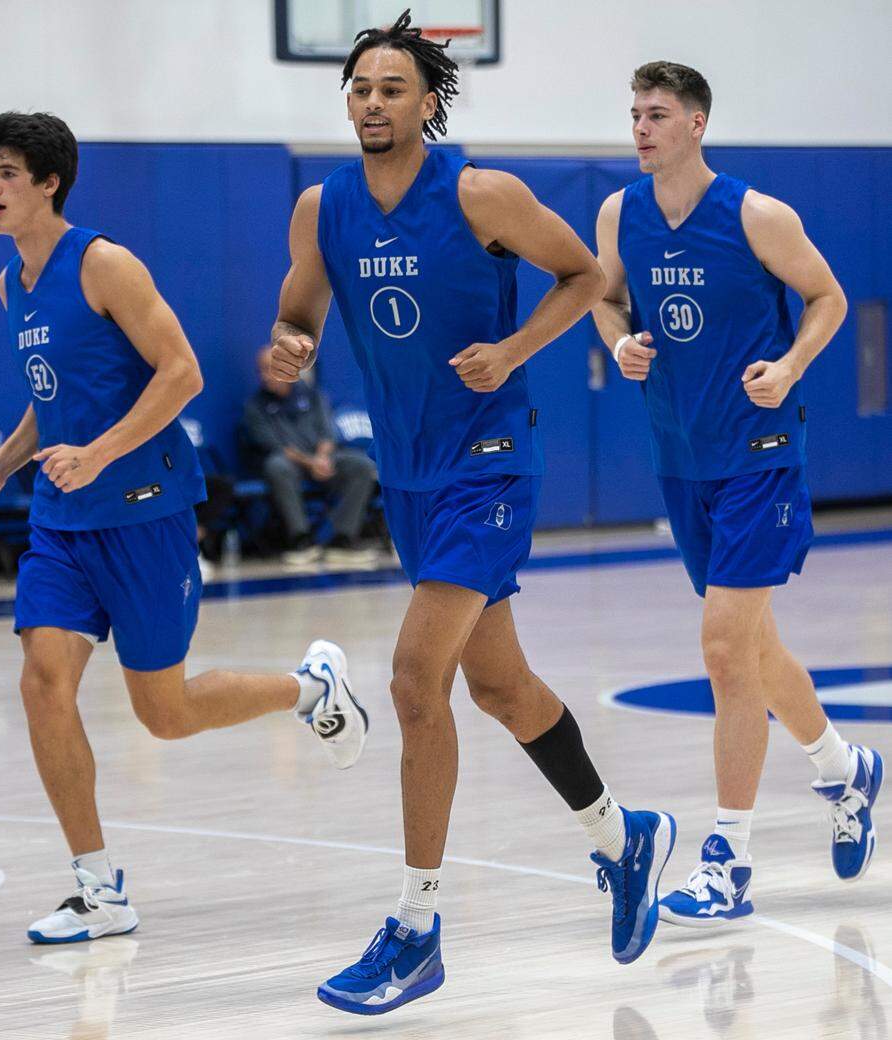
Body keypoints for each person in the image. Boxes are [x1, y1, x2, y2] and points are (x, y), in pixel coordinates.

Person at [270, 13, 675, 1015]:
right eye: (361, 88)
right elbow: (299, 308)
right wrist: (291, 344)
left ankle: (417, 929)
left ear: (427, 103)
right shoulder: (323, 208)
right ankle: (625, 837)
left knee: (417, 681)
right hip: (408, 475)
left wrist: (513, 350)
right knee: (500, 686)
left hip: (488, 467)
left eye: (392, 88)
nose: (373, 102)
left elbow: (586, 276)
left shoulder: (481, 193)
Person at [0, 112, 368, 944]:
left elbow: (182, 373)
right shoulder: (12, 285)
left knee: (166, 713)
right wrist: (4, 463)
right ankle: (98, 890)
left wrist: (100, 454)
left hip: (145, 511)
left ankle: (312, 690)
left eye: (8, 173)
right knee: (42, 683)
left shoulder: (103, 264)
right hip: (63, 521)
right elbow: (51, 399)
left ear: (49, 183)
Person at [592, 61, 881, 927]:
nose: (640, 128)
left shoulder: (757, 215)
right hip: (684, 456)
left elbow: (827, 297)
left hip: (760, 454)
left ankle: (730, 860)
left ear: (696, 124)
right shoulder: (619, 214)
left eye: (656, 114)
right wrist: (618, 343)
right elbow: (606, 299)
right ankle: (844, 771)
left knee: (723, 648)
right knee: (753, 649)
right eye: (634, 114)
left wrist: (790, 365)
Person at [243, 345, 378, 566]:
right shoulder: (255, 407)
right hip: (293, 466)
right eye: (261, 370)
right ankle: (302, 540)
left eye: (270, 369)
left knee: (361, 465)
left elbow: (328, 435)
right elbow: (279, 448)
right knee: (276, 465)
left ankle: (341, 538)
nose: (265, 376)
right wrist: (312, 463)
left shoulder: (313, 395)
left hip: (322, 460)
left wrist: (322, 458)